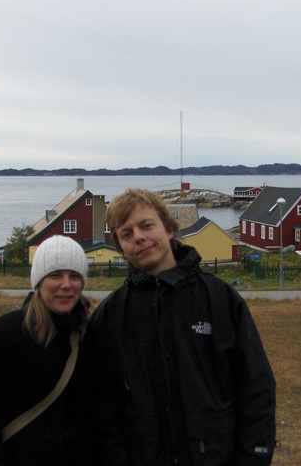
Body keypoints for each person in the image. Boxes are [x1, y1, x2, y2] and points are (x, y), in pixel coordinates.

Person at [90, 188, 276, 465]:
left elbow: (256, 389)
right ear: (120, 248)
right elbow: (102, 407)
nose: (138, 237)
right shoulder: (110, 316)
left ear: (168, 229)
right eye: (126, 234)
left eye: (146, 225)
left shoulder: (220, 300)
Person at [0, 235, 95, 465]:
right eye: (55, 275)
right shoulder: (0, 338)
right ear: (38, 281)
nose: (66, 284)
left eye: (74, 276)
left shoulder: (90, 336)